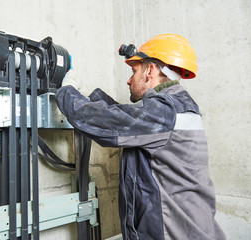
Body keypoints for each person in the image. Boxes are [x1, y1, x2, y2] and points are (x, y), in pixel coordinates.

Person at [55, 34, 226, 240]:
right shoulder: (177, 107)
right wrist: (91, 96)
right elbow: (128, 120)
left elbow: (106, 122)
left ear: (150, 71)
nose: (128, 80)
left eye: (134, 71)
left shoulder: (164, 111)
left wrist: (67, 91)